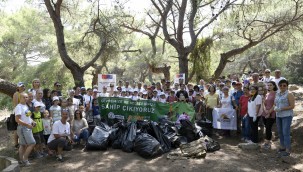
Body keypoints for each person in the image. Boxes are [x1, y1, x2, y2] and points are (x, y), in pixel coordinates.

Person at [274, 79, 295, 157]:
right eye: (280, 85)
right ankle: (282, 147)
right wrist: (275, 107)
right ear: (278, 86)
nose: (282, 87)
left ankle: (288, 149)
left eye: (284, 85)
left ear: (287, 86)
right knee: (280, 132)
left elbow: (292, 106)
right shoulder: (277, 93)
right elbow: (275, 103)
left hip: (287, 115)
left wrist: (282, 109)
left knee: (286, 132)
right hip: (278, 115)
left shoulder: (289, 94)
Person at [15, 93, 36, 166]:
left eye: (27, 97)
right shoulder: (19, 107)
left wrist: (32, 121)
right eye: (24, 97)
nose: (26, 98)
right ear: (20, 98)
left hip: (27, 127)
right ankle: (25, 160)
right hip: (23, 128)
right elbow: (17, 119)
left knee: (23, 145)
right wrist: (27, 125)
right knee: (32, 143)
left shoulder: (25, 106)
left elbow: (28, 117)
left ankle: (21, 161)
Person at [262, 81, 278, 149]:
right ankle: (270, 139)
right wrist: (265, 110)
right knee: (267, 127)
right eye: (268, 85)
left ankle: (267, 143)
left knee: (268, 127)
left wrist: (269, 113)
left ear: (274, 86)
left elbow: (275, 104)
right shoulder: (267, 94)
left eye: (270, 85)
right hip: (264, 113)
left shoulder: (276, 94)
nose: (269, 86)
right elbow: (263, 103)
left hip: (272, 113)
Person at [12, 82, 26, 149]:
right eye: (20, 86)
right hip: (18, 112)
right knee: (17, 128)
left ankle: (23, 142)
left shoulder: (25, 93)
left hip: (25, 112)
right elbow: (15, 105)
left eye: (23, 86)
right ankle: (16, 144)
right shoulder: (16, 94)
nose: (22, 87)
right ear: (17, 87)